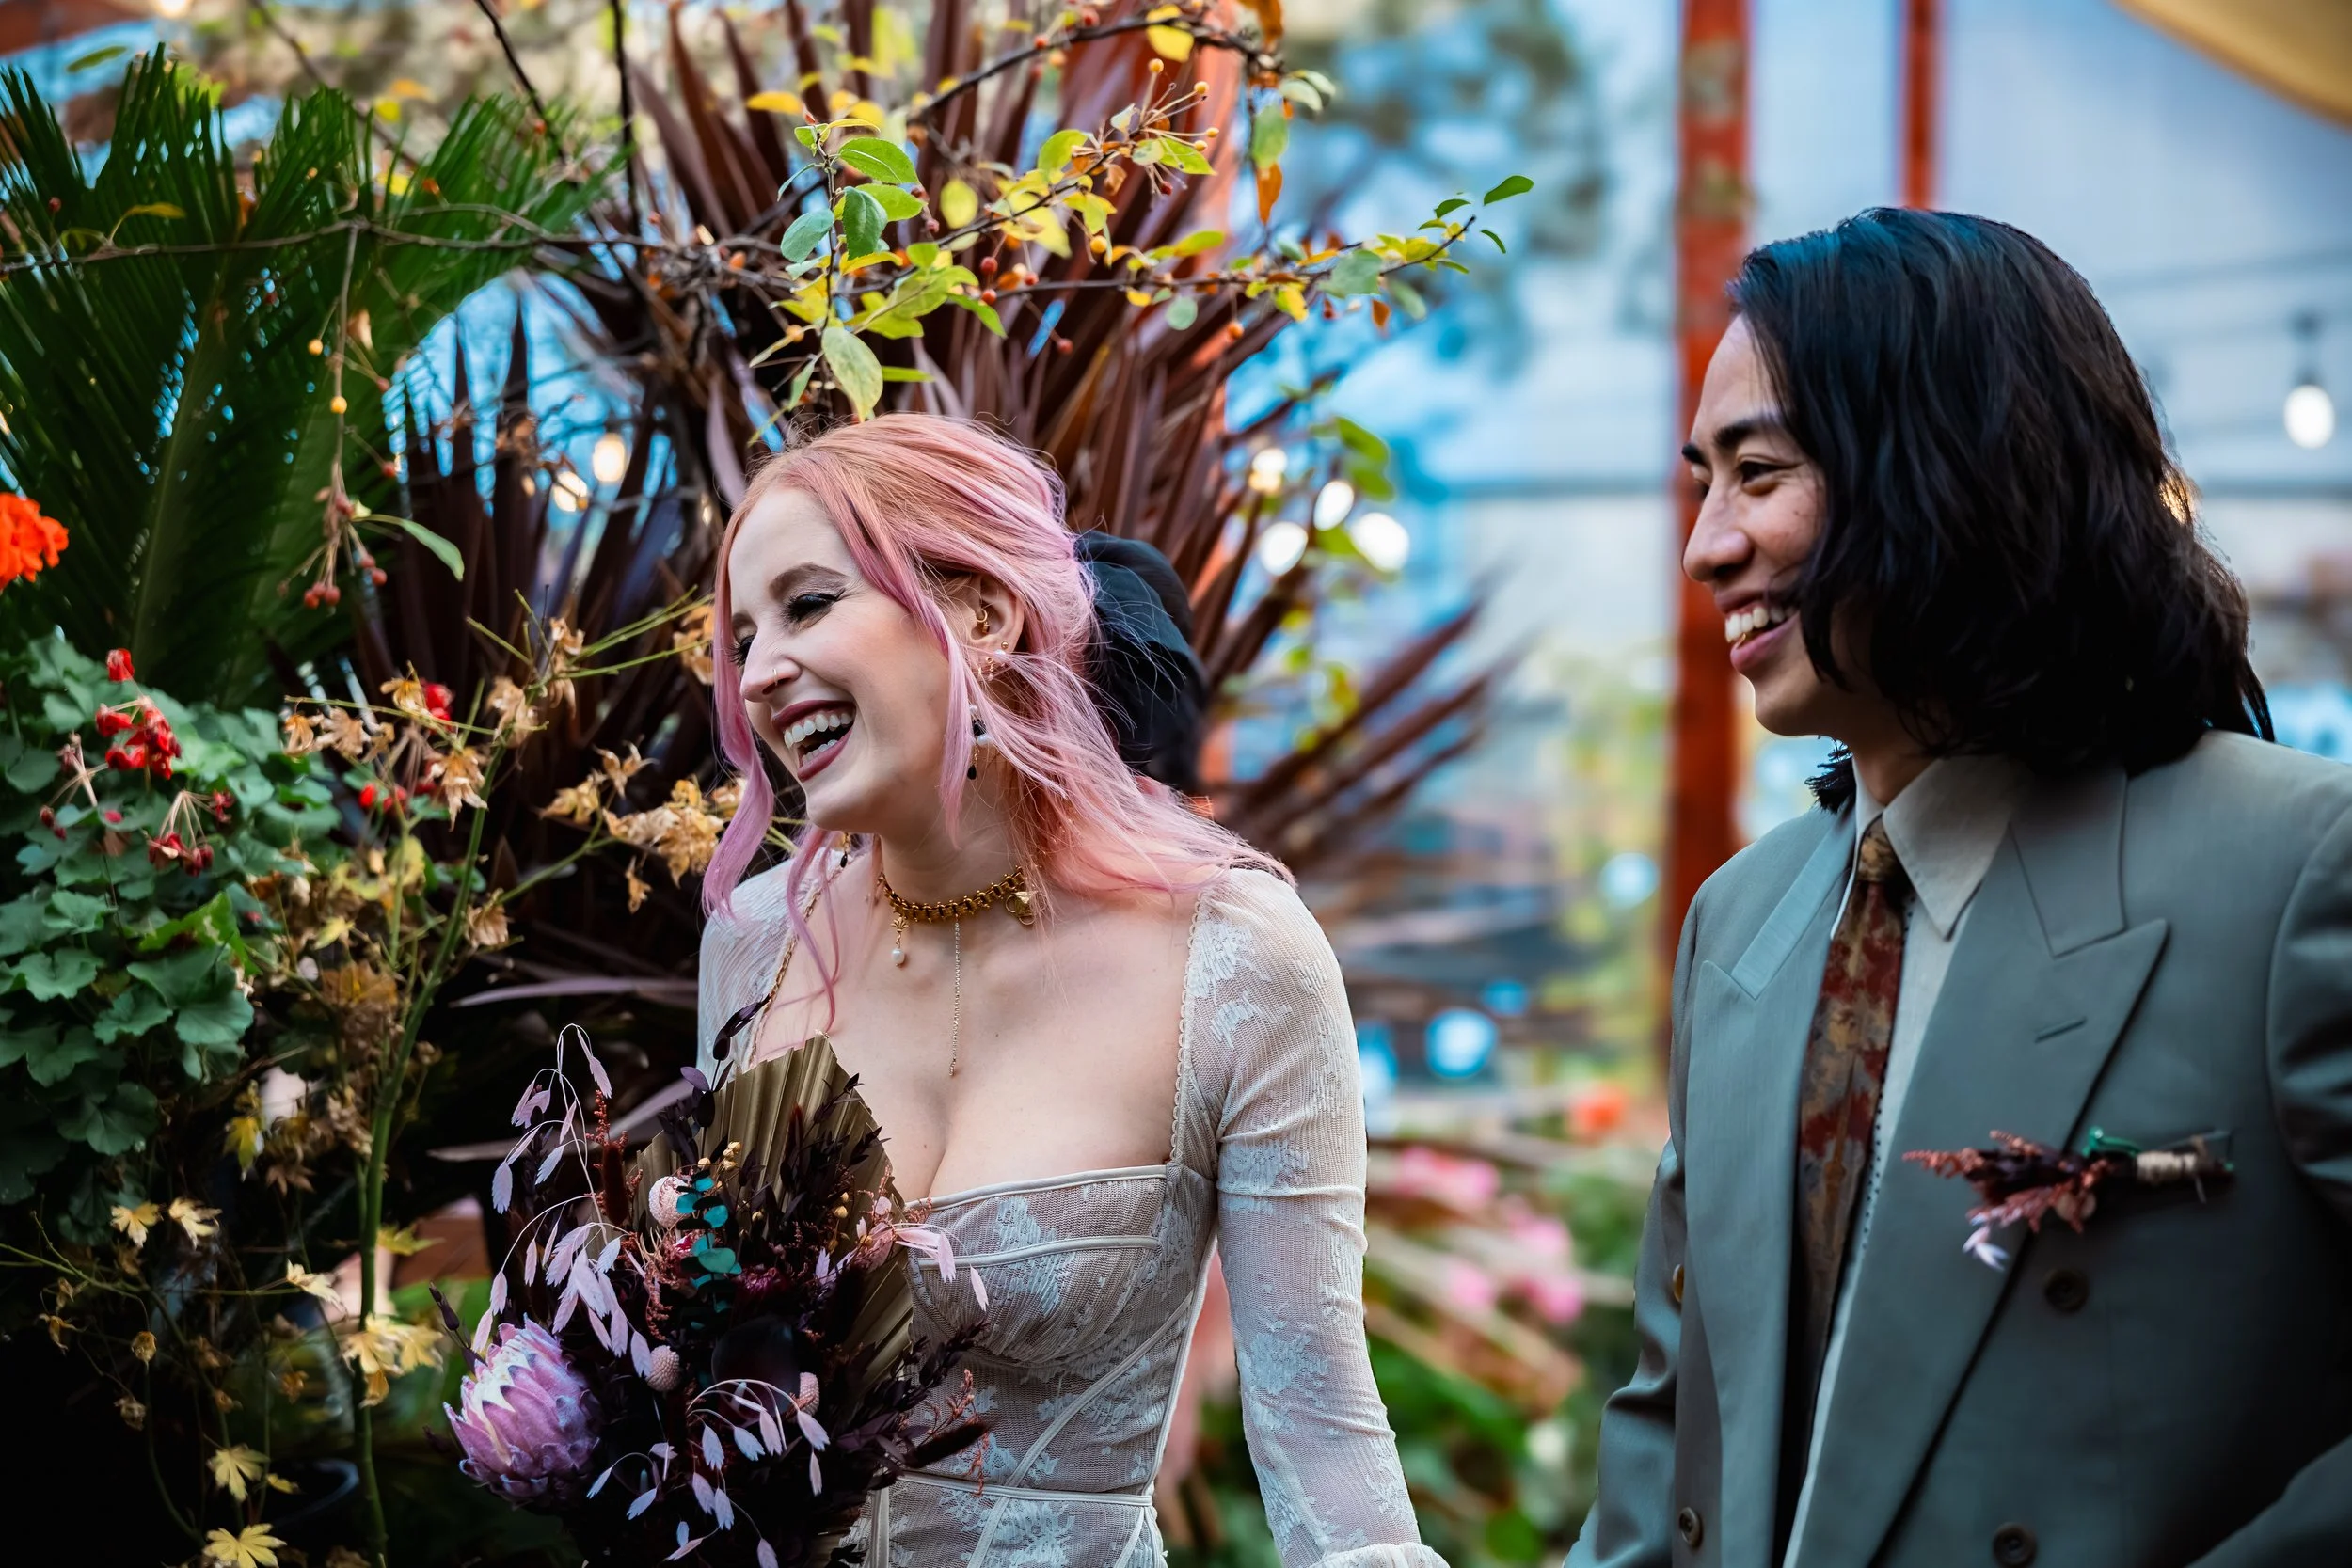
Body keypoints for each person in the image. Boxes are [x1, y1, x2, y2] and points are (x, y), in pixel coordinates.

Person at [1569, 208, 2352, 1568]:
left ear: (1945, 463)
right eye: (1703, 483)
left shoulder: (2293, 865)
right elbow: (1665, 1439)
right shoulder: (1738, 922)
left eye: (1759, 472)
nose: (1705, 546)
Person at [699, 412, 1444, 1568]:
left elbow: (1321, 1436)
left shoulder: (1235, 956)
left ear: (984, 614)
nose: (758, 676)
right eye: (743, 638)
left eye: (808, 604)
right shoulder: (755, 944)